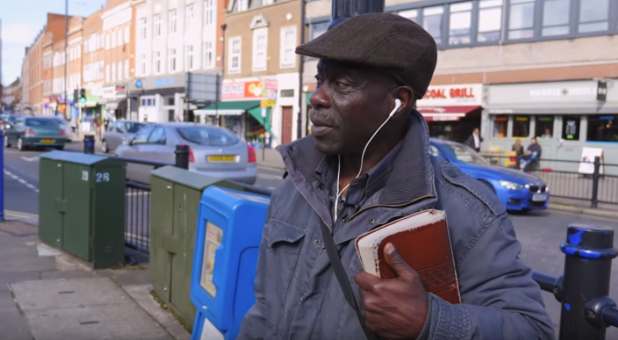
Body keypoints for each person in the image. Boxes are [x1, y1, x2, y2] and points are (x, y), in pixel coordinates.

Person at [239, 13, 553, 340]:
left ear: (398, 102)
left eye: (342, 84)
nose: (317, 97)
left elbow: (532, 329)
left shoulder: (466, 212)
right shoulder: (296, 185)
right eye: (320, 80)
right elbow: (264, 310)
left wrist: (431, 322)